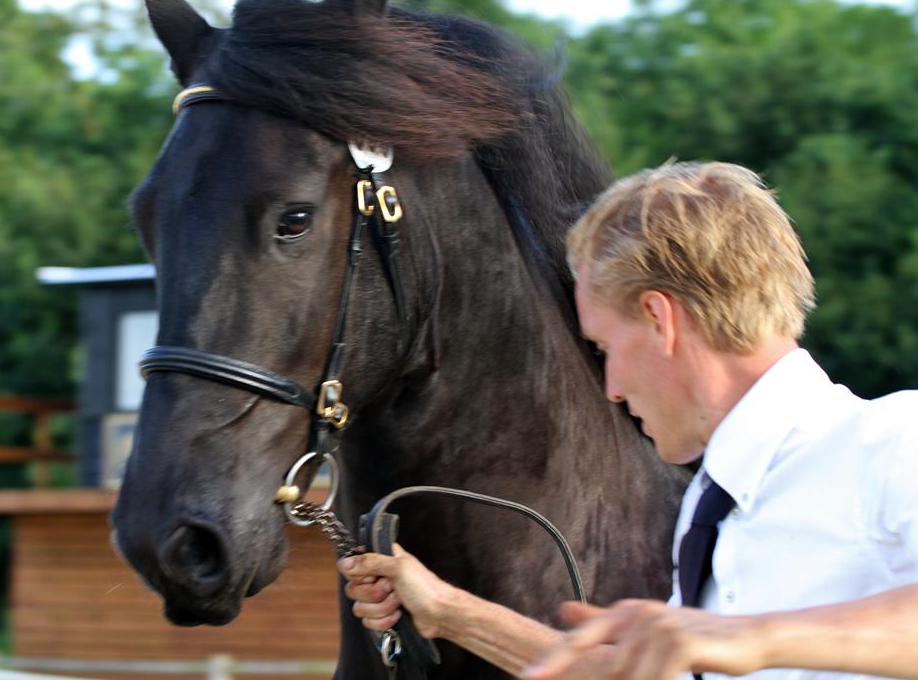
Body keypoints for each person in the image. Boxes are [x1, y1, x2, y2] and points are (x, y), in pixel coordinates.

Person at [339, 161, 918, 679]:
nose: (612, 388)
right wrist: (448, 612)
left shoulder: (894, 438)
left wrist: (750, 639)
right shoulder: (709, 507)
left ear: (659, 319)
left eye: (605, 348)